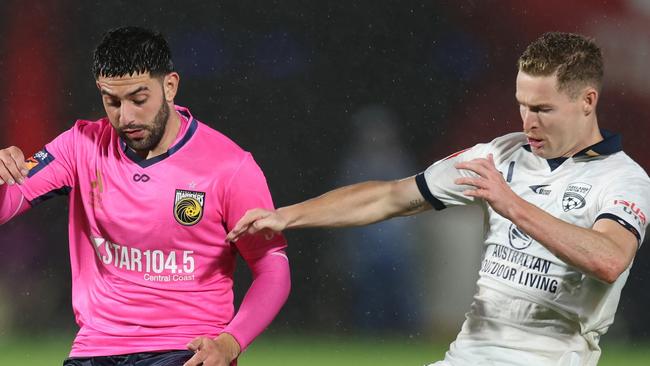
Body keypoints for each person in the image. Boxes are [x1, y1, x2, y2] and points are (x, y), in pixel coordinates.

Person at [227, 32, 650, 365]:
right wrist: (287, 216)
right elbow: (392, 197)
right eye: (522, 105)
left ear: (587, 102)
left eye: (543, 109)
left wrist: (513, 205)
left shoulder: (623, 178)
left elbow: (610, 259)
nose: (528, 122)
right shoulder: (499, 155)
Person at [0, 26, 290, 366]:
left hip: (187, 349)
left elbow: (272, 269)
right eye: (112, 102)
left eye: (139, 100)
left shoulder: (230, 167)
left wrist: (230, 343)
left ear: (170, 86)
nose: (126, 117)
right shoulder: (80, 146)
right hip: (97, 350)